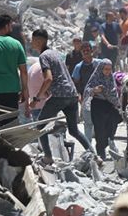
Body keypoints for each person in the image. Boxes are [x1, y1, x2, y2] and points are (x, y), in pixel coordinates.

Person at [29, 29, 92, 163]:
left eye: (33, 40)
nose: (31, 43)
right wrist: (47, 91)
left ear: (39, 41)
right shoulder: (55, 53)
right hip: (72, 95)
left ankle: (48, 157)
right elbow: (61, 76)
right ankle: (94, 156)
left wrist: (36, 98)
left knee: (40, 126)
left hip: (59, 96)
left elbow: (48, 79)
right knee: (74, 130)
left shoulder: (43, 56)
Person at [86, 58, 124, 160]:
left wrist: (117, 104)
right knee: (100, 131)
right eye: (105, 69)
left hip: (110, 106)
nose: (107, 71)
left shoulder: (111, 79)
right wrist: (95, 90)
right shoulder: (95, 78)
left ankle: (104, 146)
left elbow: (114, 93)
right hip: (98, 106)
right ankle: (100, 153)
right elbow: (87, 90)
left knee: (111, 129)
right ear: (100, 69)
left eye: (109, 69)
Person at [73, 43, 102, 147]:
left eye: (87, 50)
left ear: (91, 51)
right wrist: (78, 95)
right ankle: (88, 148)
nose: (86, 52)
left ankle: (101, 147)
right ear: (81, 53)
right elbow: (76, 82)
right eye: (83, 51)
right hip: (86, 98)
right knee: (88, 124)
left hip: (100, 97)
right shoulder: (78, 67)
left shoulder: (99, 64)